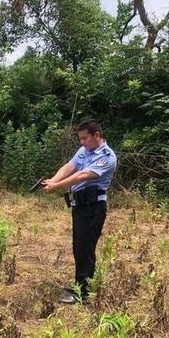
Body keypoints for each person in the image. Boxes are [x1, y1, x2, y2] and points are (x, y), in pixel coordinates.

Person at [41, 119, 117, 304]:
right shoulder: (85, 150)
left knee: (85, 248)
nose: (82, 143)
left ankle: (81, 293)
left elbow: (82, 175)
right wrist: (53, 179)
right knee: (78, 246)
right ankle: (80, 282)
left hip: (93, 208)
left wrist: (57, 185)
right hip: (80, 206)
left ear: (97, 135)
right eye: (80, 139)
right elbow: (71, 166)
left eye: (85, 138)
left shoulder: (107, 156)